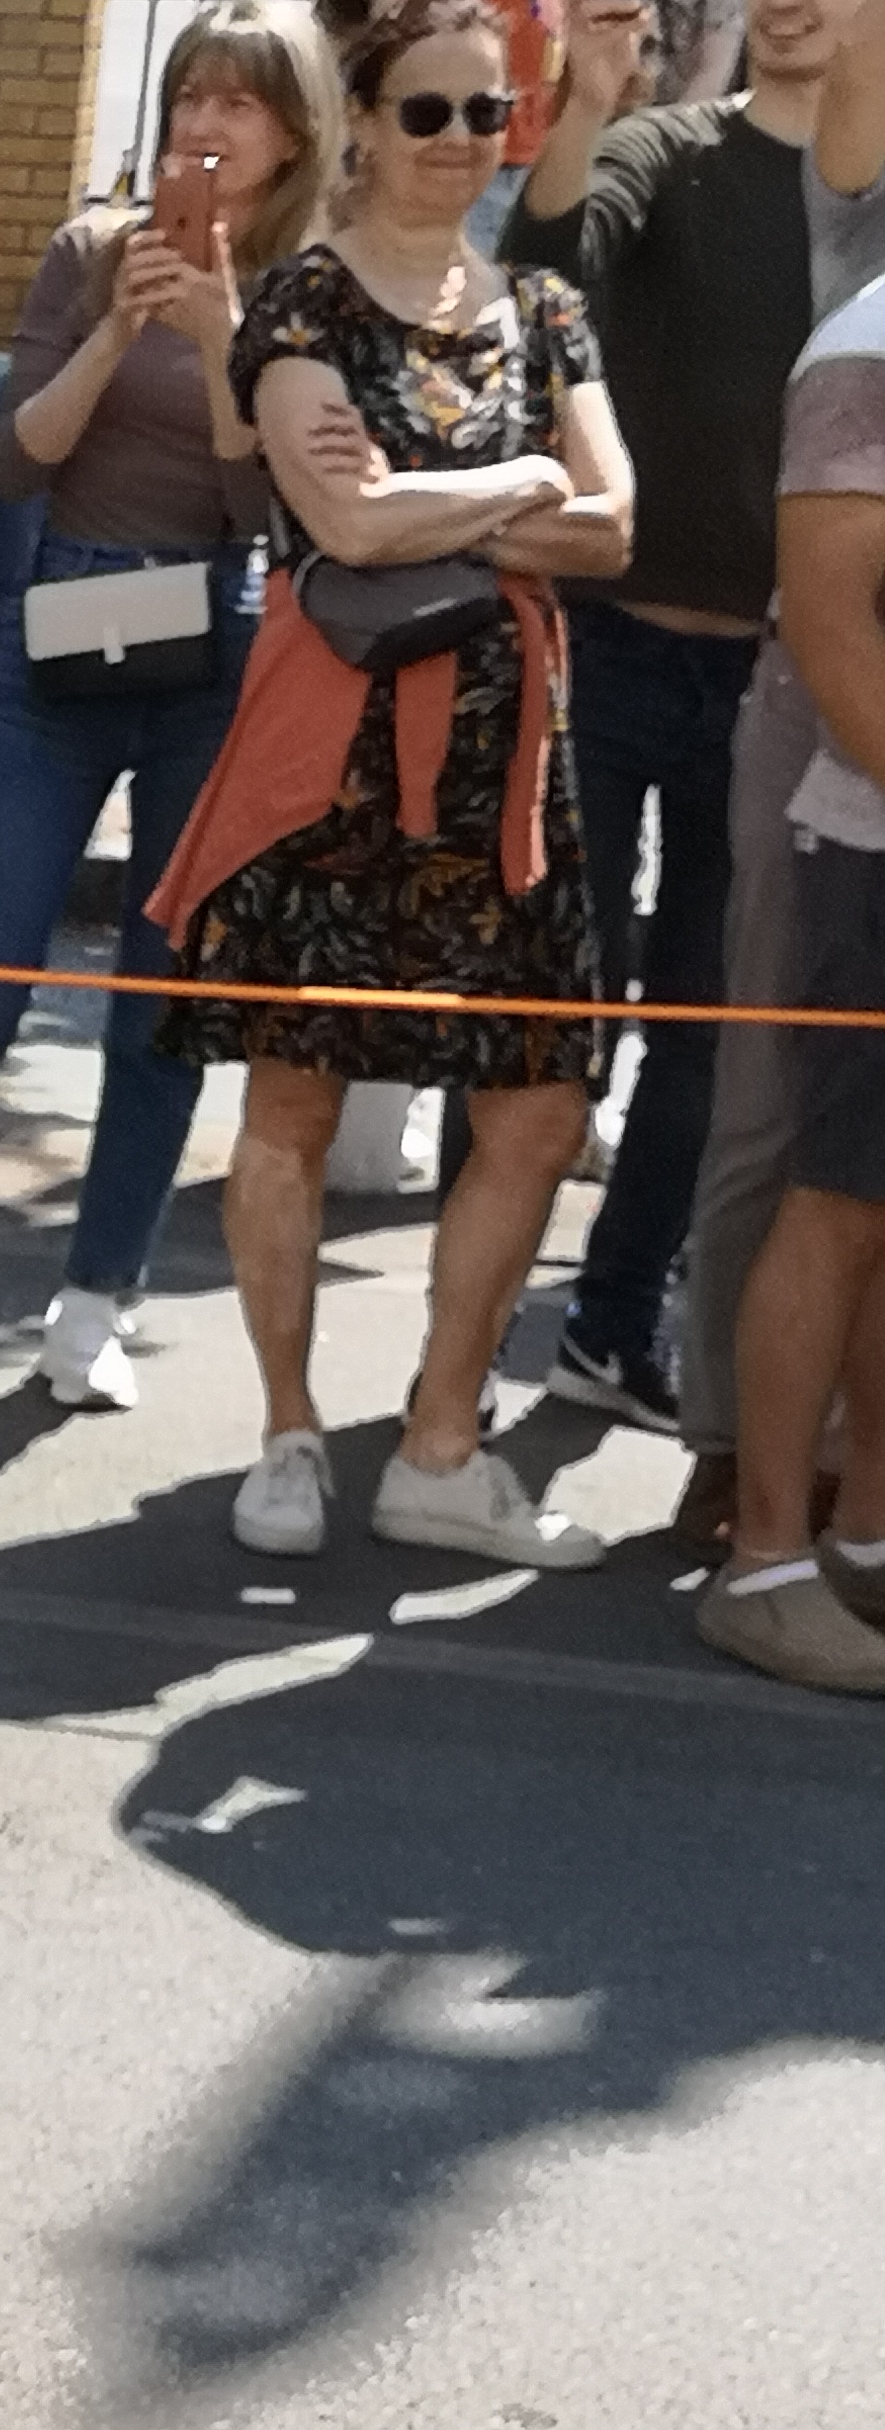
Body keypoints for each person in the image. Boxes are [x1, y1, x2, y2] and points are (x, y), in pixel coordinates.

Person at [0, 1, 340, 1413]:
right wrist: (118, 324)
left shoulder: (308, 289)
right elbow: (20, 466)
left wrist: (226, 335)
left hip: (209, 651)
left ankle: (96, 1303)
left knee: (160, 1002)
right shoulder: (90, 249)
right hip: (67, 638)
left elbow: (257, 503)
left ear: (291, 138)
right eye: (193, 96)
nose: (207, 126)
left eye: (240, 104)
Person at [150, 0, 641, 1567]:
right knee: (292, 1099)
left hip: (514, 768)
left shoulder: (547, 309)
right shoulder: (298, 301)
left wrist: (450, 510)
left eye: (485, 116)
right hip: (341, 764)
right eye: (424, 113)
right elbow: (347, 531)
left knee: (542, 1101)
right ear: (359, 123)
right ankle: (290, 1429)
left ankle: (440, 1437)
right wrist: (514, 485)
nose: (456, 145)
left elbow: (621, 526)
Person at [503, 0, 874, 1439]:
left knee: (711, 1041)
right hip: (604, 651)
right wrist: (584, 105)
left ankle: (609, 1325)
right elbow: (542, 275)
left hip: (783, 680)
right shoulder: (668, 148)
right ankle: (456, 1380)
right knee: (554, 1024)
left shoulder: (871, 204)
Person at [698, 258, 885, 1686]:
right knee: (832, 1200)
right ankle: (763, 1558)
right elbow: (836, 636)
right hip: (870, 847)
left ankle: (869, 1537)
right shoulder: (867, 350)